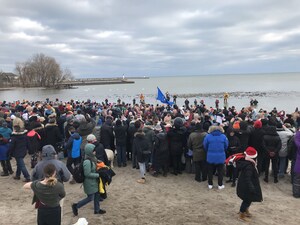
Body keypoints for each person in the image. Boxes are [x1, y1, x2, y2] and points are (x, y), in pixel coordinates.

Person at [72, 144, 106, 216]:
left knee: (97, 195)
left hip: (94, 181)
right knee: (90, 197)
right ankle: (76, 206)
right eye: (93, 151)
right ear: (89, 152)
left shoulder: (93, 158)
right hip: (89, 183)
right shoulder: (87, 162)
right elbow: (87, 174)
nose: (95, 152)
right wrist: (98, 175)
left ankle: (97, 210)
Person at [236, 147, 263, 222]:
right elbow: (247, 178)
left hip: (244, 184)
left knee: (248, 199)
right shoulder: (249, 166)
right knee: (247, 200)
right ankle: (241, 214)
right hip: (247, 186)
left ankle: (245, 210)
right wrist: (251, 187)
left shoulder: (246, 163)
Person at [203, 125, 228, 189]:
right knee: (220, 171)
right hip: (221, 156)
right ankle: (220, 184)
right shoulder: (223, 137)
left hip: (210, 156)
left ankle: (210, 184)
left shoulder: (208, 136)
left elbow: (205, 145)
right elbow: (226, 146)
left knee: (210, 171)